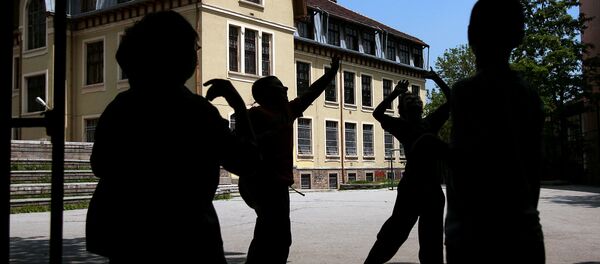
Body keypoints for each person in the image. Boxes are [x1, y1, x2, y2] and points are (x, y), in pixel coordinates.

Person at [85, 11, 258, 263]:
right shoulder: (197, 112)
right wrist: (239, 106)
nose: (197, 56)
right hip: (190, 238)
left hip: (130, 240)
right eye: (194, 49)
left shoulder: (121, 107)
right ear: (181, 58)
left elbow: (99, 164)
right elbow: (247, 161)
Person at [445, 1, 545, 263]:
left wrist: (433, 148)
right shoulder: (530, 96)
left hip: (473, 234)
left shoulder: (466, 92)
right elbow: (533, 170)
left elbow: (466, 168)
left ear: (470, 35)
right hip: (524, 231)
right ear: (519, 36)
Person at [239, 56, 340, 264]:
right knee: (272, 235)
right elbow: (241, 146)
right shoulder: (255, 115)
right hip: (263, 185)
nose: (285, 89)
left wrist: (330, 73)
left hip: (278, 186)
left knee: (276, 236)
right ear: (266, 94)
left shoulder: (286, 111)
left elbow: (310, 94)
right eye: (279, 87)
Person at [364, 69, 451, 264]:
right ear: (421, 110)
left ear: (401, 112)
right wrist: (437, 78)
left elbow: (377, 113)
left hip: (411, 188)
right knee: (431, 242)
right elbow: (452, 100)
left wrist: (395, 93)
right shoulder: (430, 123)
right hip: (431, 189)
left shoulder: (401, 126)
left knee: (394, 233)